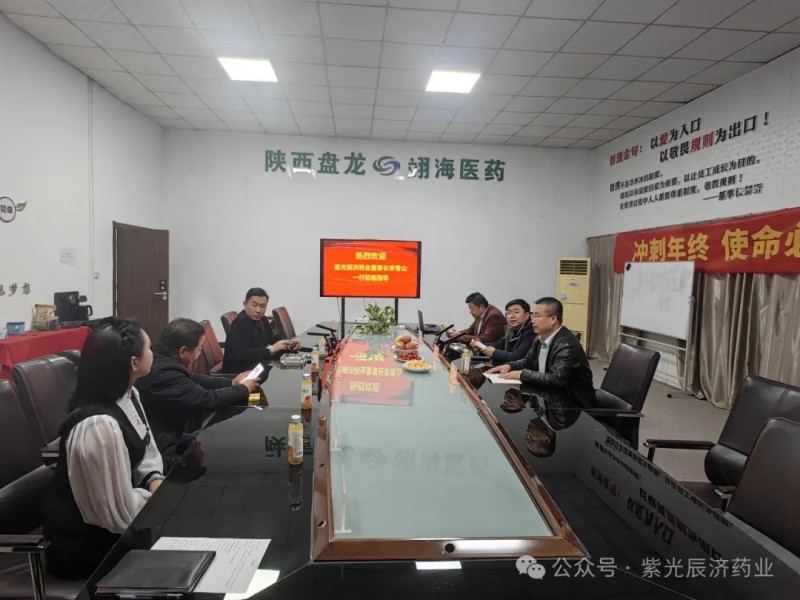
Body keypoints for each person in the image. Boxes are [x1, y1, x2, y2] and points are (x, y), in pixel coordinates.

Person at [43, 318, 165, 579]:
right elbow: (117, 517)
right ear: (134, 363)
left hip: (120, 525)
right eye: (149, 347)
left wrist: (154, 479)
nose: (153, 352)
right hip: (87, 547)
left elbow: (146, 450)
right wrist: (156, 500)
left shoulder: (129, 395)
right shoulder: (98, 426)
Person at [136, 318, 260, 465]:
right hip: (162, 444)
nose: (200, 353)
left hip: (172, 429)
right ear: (183, 351)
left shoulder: (164, 358)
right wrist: (243, 389)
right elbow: (206, 400)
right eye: (200, 349)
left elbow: (192, 379)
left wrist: (232, 382)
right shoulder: (164, 373)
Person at [486, 297, 594, 410]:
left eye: (537, 316)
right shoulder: (539, 338)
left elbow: (555, 378)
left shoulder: (567, 345)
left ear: (553, 319)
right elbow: (528, 360)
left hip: (572, 406)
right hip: (547, 397)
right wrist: (509, 366)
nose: (532, 320)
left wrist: (521, 374)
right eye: (532, 316)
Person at [222, 287, 299, 373]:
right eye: (254, 305)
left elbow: (272, 338)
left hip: (258, 367)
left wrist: (288, 345)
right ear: (245, 304)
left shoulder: (263, 319)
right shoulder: (239, 323)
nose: (258, 310)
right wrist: (272, 349)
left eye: (263, 306)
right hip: (239, 374)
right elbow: (243, 355)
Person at [470, 298, 534, 365]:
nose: (512, 316)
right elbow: (500, 344)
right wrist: (480, 345)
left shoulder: (530, 331)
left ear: (527, 315)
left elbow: (517, 357)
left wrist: (494, 353)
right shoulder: (512, 330)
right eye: (509, 313)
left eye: (516, 312)